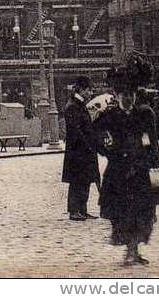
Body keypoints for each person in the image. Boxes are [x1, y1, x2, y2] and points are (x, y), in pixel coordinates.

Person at [96, 57, 159, 266]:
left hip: (140, 170)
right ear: (117, 95)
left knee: (142, 212)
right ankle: (129, 249)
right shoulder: (109, 115)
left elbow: (152, 140)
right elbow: (94, 135)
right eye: (124, 95)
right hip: (118, 172)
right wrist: (107, 149)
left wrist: (154, 162)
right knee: (122, 212)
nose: (128, 99)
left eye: (131, 95)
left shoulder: (144, 114)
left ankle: (134, 249)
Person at [63, 77, 101, 221]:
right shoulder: (72, 105)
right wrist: (87, 144)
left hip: (84, 149)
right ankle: (74, 210)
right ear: (81, 89)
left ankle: (82, 210)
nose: (90, 93)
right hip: (77, 150)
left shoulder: (80, 104)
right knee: (76, 180)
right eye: (88, 90)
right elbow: (76, 130)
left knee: (85, 179)